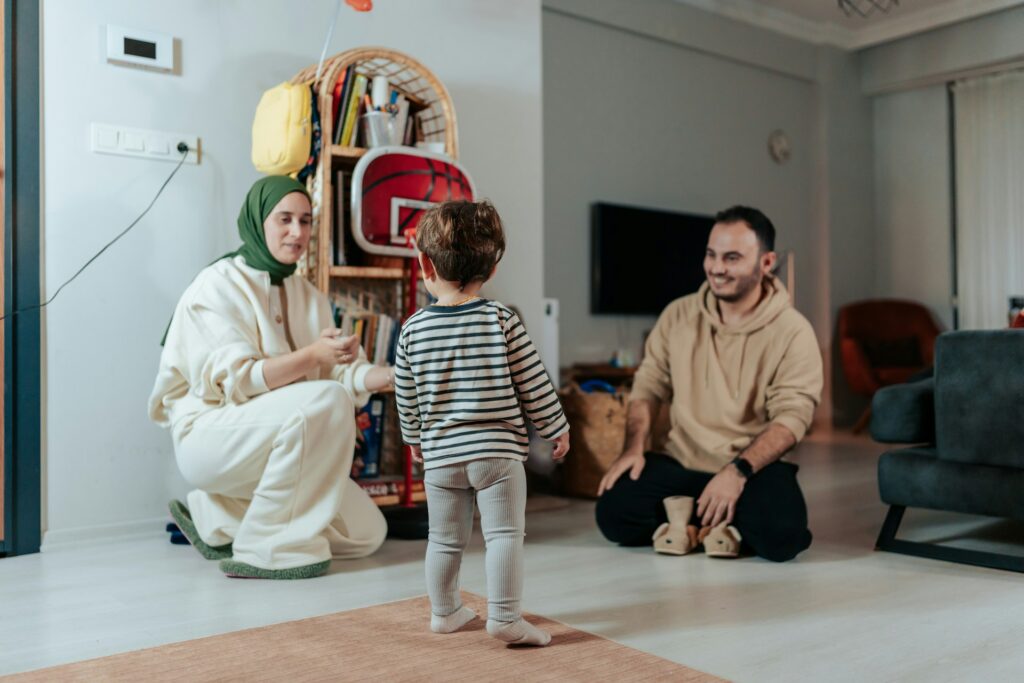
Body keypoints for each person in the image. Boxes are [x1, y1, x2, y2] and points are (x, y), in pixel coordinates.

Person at [149, 176, 394, 579]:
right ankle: (266, 549)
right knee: (327, 398)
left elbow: (343, 375)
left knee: (367, 533)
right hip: (210, 435)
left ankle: (217, 514)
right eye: (284, 219)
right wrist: (313, 354)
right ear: (258, 221)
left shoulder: (309, 296)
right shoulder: (217, 285)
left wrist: (392, 376)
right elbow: (240, 380)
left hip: (278, 438)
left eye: (305, 220)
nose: (297, 232)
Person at [595, 205, 822, 562]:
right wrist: (633, 447)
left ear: (766, 263)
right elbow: (649, 385)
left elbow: (793, 418)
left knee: (783, 536)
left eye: (732, 258)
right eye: (711, 254)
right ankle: (718, 527)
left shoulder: (794, 331)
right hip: (683, 463)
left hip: (750, 470)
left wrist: (737, 471)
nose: (716, 268)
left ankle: (686, 522)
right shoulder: (678, 314)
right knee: (613, 513)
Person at [394, 200, 570, 646]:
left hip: (442, 459)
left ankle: (444, 611)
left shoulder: (412, 330)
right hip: (496, 454)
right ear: (490, 272)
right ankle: (506, 618)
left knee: (444, 540)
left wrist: (414, 440)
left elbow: (406, 395)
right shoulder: (501, 319)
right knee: (505, 536)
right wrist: (556, 427)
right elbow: (534, 380)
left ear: (424, 265)